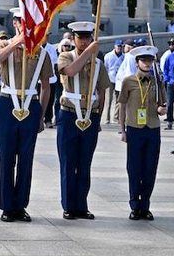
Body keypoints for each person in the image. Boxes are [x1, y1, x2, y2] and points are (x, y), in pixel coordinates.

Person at [0, 7, 53, 223]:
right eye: (21, 22)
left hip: (31, 104)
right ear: (15, 23)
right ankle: (7, 206)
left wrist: (42, 115)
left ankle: (21, 205)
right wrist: (17, 43)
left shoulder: (41, 51)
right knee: (7, 157)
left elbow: (46, 86)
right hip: (8, 103)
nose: (25, 26)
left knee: (26, 159)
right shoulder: (4, 44)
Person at [56, 21, 110, 220]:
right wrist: (88, 52)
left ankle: (81, 205)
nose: (84, 41)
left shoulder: (98, 63)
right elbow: (70, 71)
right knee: (68, 162)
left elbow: (102, 91)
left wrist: (98, 117)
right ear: (74, 38)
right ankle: (69, 205)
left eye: (88, 38)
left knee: (85, 162)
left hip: (90, 116)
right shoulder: (65, 56)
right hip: (69, 113)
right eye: (81, 38)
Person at [119, 45, 167, 220]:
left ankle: (145, 205)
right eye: (143, 60)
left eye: (149, 60)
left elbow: (163, 104)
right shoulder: (129, 81)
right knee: (134, 168)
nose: (147, 63)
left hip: (152, 128)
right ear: (137, 62)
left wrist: (163, 109)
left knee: (149, 168)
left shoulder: (158, 81)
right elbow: (122, 105)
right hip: (134, 128)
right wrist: (121, 129)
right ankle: (134, 205)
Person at [103, 40, 126, 124]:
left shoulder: (124, 56)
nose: (119, 48)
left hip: (119, 80)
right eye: (118, 46)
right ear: (115, 46)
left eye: (121, 46)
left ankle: (116, 117)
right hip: (110, 79)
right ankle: (107, 118)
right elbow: (106, 68)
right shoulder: (108, 56)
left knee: (119, 99)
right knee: (108, 100)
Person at [162, 38, 174, 130]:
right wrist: (167, 79)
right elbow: (165, 68)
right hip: (171, 82)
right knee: (169, 103)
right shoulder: (169, 57)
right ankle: (169, 121)